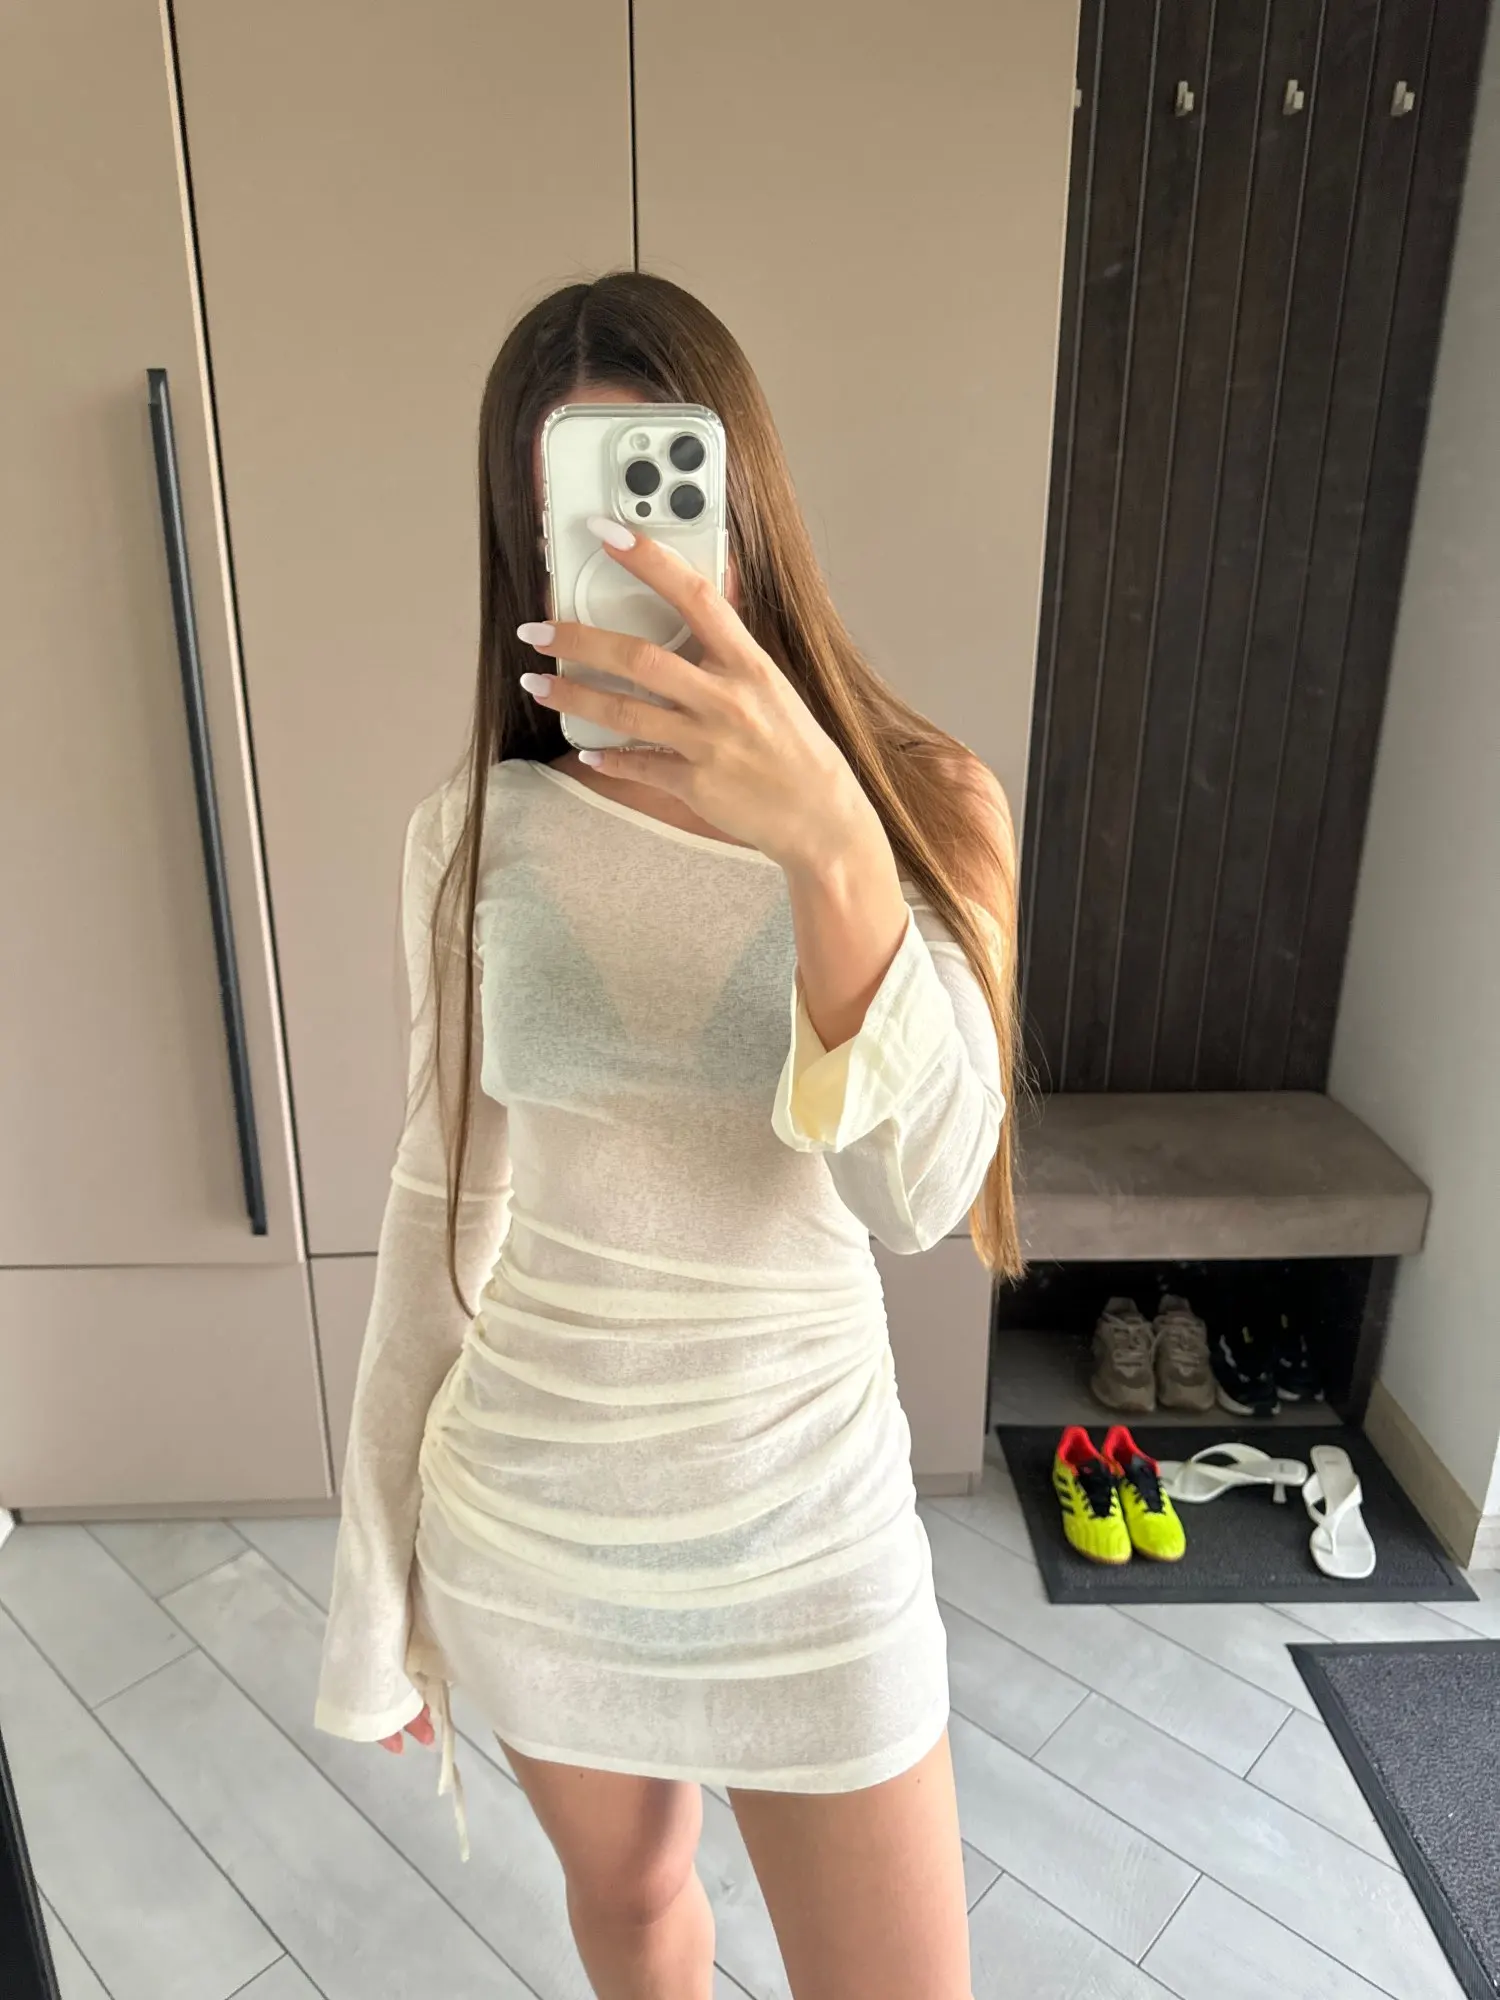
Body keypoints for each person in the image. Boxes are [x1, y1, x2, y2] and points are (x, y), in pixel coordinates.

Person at [315, 271, 1023, 2000]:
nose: (636, 555)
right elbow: (437, 1209)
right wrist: (375, 1594)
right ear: (529, 546)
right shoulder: (469, 836)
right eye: (585, 514)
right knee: (633, 1919)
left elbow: (922, 1193)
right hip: (537, 1522)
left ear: (745, 502)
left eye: (667, 496)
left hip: (812, 1529)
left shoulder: (924, 805)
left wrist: (831, 850)